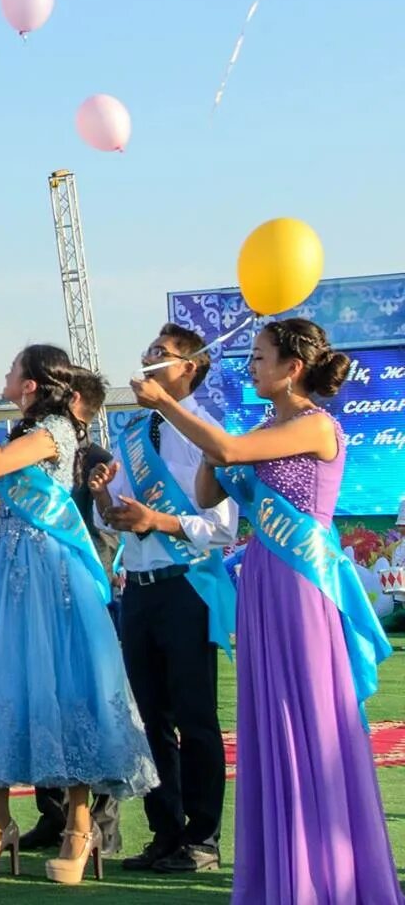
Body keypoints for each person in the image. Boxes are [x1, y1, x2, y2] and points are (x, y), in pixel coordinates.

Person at [136, 318, 402, 905]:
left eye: (260, 357)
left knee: (308, 720)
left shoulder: (317, 426)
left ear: (293, 368)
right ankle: (281, 876)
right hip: (260, 582)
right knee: (267, 725)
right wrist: (212, 447)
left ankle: (325, 877)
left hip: (302, 588)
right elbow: (210, 493)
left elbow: (228, 451)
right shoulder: (262, 427)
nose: (251, 367)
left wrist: (171, 406)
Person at [0, 349, 155, 885]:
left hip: (47, 566)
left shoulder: (56, 427)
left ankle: (80, 826)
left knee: (62, 688)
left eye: (10, 371)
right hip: (2, 565)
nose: (2, 377)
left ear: (32, 384)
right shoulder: (17, 428)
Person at [81, 323, 240, 874]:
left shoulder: (206, 433)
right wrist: (107, 501)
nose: (149, 359)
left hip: (186, 587)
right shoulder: (135, 431)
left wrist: (159, 520)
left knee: (194, 719)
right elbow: (122, 518)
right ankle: (164, 832)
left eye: (162, 354)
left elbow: (222, 527)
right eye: (148, 349)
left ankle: (204, 838)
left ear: (189, 367)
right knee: (150, 720)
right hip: (141, 591)